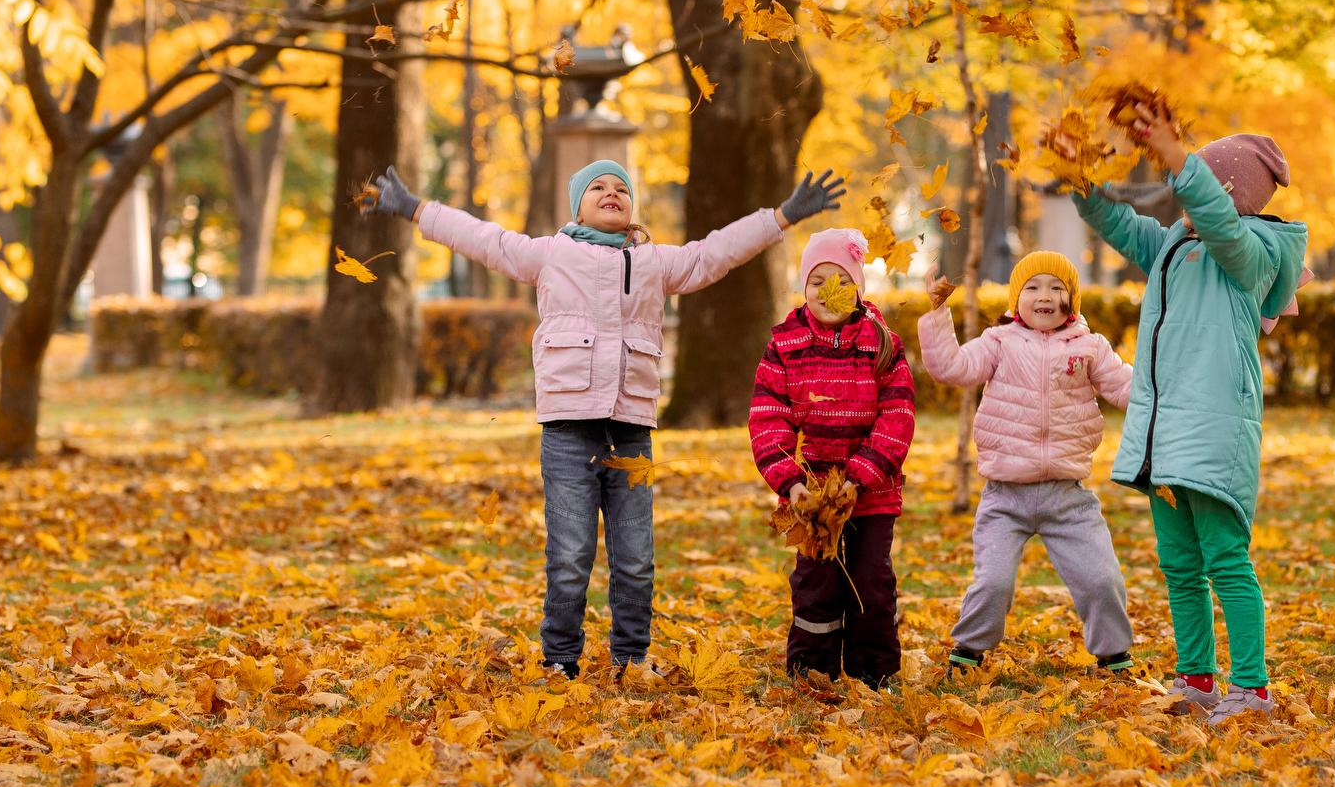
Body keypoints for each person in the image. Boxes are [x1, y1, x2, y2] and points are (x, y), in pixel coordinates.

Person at [361, 160, 845, 679]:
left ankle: (631, 657)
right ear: (577, 204)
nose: (612, 192)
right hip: (569, 428)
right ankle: (559, 659)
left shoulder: (655, 262)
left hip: (631, 430)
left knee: (635, 558)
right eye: (598, 186)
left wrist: (783, 216)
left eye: (622, 188)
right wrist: (415, 208)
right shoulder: (550, 254)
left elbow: (716, 253)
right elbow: (482, 239)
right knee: (569, 559)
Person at [1072, 108, 1308, 722]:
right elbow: (1120, 225)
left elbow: (1222, 226)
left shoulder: (1249, 253)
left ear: (1225, 195)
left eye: (1195, 180)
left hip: (1215, 432)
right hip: (1166, 435)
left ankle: (1251, 687)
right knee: (1179, 564)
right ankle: (1197, 678)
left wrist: (1180, 158)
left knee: (1226, 560)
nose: (1181, 193)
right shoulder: (1176, 246)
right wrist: (1081, 184)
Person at [917, 252, 1136, 674]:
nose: (1045, 296)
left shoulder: (1088, 346)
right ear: (1016, 298)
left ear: (1071, 299)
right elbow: (952, 367)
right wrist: (938, 313)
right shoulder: (998, 342)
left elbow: (1127, 388)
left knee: (1100, 579)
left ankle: (1114, 656)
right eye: (1033, 288)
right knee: (993, 582)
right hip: (1005, 497)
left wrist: (1167, 385)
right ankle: (968, 652)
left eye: (1057, 288)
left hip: (1067, 497)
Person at [747, 229, 916, 688]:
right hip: (812, 494)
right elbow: (768, 420)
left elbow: (897, 417)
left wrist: (860, 476)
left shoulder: (882, 345)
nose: (827, 291)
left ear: (859, 290)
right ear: (803, 287)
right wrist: (790, 481)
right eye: (816, 280)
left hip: (871, 490)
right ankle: (812, 670)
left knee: (870, 583)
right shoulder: (786, 345)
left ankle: (872, 673)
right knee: (815, 583)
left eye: (840, 280)